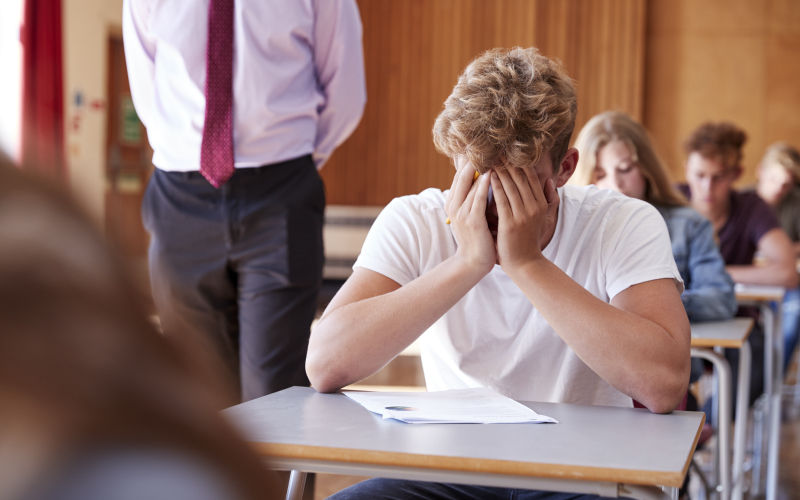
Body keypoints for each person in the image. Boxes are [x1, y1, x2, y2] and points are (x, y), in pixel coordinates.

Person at [306, 47, 690, 500]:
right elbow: (325, 365)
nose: (494, 207)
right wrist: (466, 263)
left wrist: (528, 264)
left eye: (517, 186)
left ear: (565, 170)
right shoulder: (414, 219)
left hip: (583, 472)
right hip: (449, 469)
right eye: (478, 179)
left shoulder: (624, 222)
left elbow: (664, 385)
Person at [122, 0, 366, 402]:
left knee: (274, 391)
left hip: (280, 190)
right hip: (180, 191)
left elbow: (345, 92)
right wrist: (183, 149)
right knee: (197, 386)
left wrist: (292, 162)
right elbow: (148, 84)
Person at [0, 155, 282, 500]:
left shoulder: (138, 476)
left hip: (277, 179)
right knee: (207, 362)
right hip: (178, 185)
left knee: (264, 380)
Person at [570, 111, 736, 323]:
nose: (615, 185)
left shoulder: (689, 225)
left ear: (647, 169)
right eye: (600, 174)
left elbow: (721, 298)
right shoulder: (568, 227)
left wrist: (649, 305)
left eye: (625, 169)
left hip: (661, 352)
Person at [680, 122, 799, 410]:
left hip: (732, 317)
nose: (707, 187)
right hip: (677, 316)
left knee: (759, 360)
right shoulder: (671, 203)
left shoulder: (751, 208)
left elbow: (787, 272)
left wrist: (714, 275)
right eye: (700, 175)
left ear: (737, 174)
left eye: (718, 177)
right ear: (686, 169)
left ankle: (704, 428)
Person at [755, 142, 800, 371]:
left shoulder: (795, 203)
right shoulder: (743, 202)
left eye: (786, 184)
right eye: (774, 180)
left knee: (795, 311)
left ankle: (768, 382)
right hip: (748, 281)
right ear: (760, 171)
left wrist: (782, 251)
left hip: (782, 282)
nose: (778, 189)